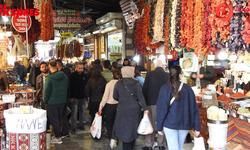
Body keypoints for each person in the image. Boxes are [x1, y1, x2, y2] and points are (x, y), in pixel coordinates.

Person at [157, 65, 200, 150]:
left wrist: (159, 126)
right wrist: (197, 127)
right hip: (184, 123)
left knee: (174, 148)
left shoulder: (165, 89)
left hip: (169, 124)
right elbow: (194, 109)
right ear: (180, 75)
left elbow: (161, 109)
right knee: (179, 147)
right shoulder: (187, 88)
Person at [112, 67, 148, 150]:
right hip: (135, 110)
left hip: (123, 109)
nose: (134, 74)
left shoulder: (118, 84)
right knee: (133, 128)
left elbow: (115, 96)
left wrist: (122, 100)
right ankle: (131, 145)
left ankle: (127, 146)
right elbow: (140, 97)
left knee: (124, 129)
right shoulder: (135, 83)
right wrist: (145, 108)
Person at [142, 59, 169, 150]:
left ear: (155, 66)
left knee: (150, 124)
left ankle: (149, 145)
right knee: (162, 124)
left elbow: (145, 89)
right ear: (163, 66)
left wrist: (144, 104)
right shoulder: (167, 75)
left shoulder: (149, 74)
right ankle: (161, 145)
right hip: (164, 103)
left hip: (151, 102)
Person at [44, 61, 69, 144]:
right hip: (62, 101)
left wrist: (45, 101)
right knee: (59, 119)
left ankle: (58, 137)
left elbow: (46, 91)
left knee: (54, 120)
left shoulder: (49, 78)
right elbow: (67, 87)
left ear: (49, 67)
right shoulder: (64, 76)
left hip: (52, 102)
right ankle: (58, 135)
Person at [98, 69, 122, 140]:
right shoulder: (121, 84)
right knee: (117, 122)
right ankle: (117, 137)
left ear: (112, 76)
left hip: (109, 106)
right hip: (119, 105)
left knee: (109, 123)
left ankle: (111, 138)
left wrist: (101, 106)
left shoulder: (109, 84)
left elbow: (105, 97)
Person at [70, 63, 88, 134]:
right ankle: (73, 127)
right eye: (79, 68)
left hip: (82, 96)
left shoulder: (84, 75)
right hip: (75, 96)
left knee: (82, 111)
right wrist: (71, 96)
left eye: (82, 68)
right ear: (76, 68)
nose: (80, 69)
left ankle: (81, 124)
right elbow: (71, 86)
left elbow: (86, 86)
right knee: (74, 112)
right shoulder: (72, 75)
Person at [55, 59, 71, 138]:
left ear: (57, 65)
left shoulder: (62, 74)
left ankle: (65, 132)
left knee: (62, 115)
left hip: (63, 97)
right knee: (63, 114)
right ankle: (65, 131)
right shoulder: (66, 72)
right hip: (65, 96)